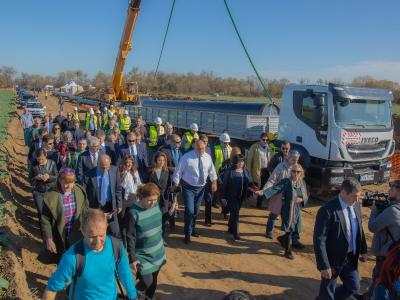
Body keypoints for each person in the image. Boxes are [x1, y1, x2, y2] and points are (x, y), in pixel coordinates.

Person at [42, 209, 137, 300]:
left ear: (106, 227)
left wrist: (133, 297)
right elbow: (51, 289)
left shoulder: (117, 247)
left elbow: (125, 273)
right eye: (92, 236)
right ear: (82, 231)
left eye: (101, 235)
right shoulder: (72, 257)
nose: (98, 241)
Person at [313, 178, 368, 300]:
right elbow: (319, 239)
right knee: (327, 292)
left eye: (359, 196)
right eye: (354, 196)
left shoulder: (356, 205)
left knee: (353, 286)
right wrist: (324, 265)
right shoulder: (327, 210)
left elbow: (359, 228)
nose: (357, 200)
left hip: (349, 257)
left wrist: (363, 249)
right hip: (332, 259)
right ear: (343, 192)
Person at [256, 164, 308, 259]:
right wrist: (263, 192)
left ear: (301, 173)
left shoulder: (302, 183)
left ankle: (283, 239)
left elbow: (305, 196)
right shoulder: (286, 182)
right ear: (290, 172)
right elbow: (275, 188)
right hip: (287, 210)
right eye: (293, 171)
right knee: (289, 229)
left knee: (293, 229)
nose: (295, 173)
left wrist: (302, 200)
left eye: (298, 172)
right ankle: (287, 251)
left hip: (297, 210)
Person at [124, 183, 166, 300]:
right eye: (150, 200)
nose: (153, 203)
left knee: (154, 280)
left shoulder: (156, 205)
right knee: (147, 281)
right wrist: (132, 258)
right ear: (142, 197)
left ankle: (149, 297)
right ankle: (132, 297)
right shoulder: (132, 213)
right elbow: (130, 237)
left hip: (157, 251)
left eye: (155, 200)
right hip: (142, 254)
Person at [172, 139, 218, 244]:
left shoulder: (207, 157)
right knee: (190, 210)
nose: (201, 150)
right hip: (188, 187)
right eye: (199, 149)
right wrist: (176, 183)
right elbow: (178, 171)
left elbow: (212, 171)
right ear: (195, 147)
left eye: (203, 148)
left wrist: (214, 182)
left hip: (201, 188)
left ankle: (192, 229)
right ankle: (187, 234)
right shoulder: (187, 157)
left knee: (196, 211)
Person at [41, 169, 88, 259]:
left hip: (77, 235)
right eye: (65, 182)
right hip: (60, 237)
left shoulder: (80, 191)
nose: (68, 186)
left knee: (77, 260)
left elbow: (85, 210)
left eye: (71, 182)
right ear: (59, 180)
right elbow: (45, 220)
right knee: (62, 261)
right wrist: (49, 239)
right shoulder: (51, 196)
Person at [364, 180, 400, 299]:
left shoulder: (393, 211)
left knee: (380, 278)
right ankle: (367, 296)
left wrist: (374, 209)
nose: (389, 190)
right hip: (395, 253)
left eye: (393, 189)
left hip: (387, 254)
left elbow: (373, 227)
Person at [82, 154, 122, 238]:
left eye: (107, 167)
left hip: (110, 206)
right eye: (102, 167)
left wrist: (119, 204)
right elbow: (84, 194)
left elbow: (118, 189)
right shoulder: (88, 175)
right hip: (96, 207)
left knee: (115, 232)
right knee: (99, 232)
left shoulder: (114, 170)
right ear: (97, 164)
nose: (105, 169)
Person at [265, 150, 301, 240]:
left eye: (296, 160)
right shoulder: (280, 166)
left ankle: (292, 236)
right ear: (289, 157)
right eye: (293, 159)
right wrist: (265, 190)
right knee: (274, 214)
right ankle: (269, 231)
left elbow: (300, 183)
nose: (295, 161)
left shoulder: (297, 168)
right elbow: (272, 179)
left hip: (291, 196)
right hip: (279, 194)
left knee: (292, 217)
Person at [222, 154, 252, 240]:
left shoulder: (245, 171)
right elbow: (225, 184)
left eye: (242, 161)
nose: (241, 163)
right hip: (231, 196)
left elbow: (250, 182)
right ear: (235, 162)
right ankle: (236, 232)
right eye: (239, 161)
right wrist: (223, 197)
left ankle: (230, 228)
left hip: (241, 196)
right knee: (236, 213)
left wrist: (253, 189)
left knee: (234, 212)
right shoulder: (230, 171)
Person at [29, 149, 58, 235]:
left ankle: (53, 232)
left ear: (46, 156)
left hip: (51, 191)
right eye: (39, 159)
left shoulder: (52, 163)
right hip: (38, 192)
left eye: (42, 159)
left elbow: (56, 177)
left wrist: (49, 177)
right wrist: (36, 178)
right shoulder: (33, 164)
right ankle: (45, 235)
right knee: (41, 213)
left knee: (51, 212)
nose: (40, 161)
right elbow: (30, 180)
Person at [146, 151, 171, 240]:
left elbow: (169, 187)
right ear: (155, 160)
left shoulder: (167, 172)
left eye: (163, 160)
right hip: (152, 199)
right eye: (159, 160)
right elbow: (146, 185)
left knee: (163, 220)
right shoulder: (150, 171)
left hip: (163, 199)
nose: (161, 162)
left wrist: (172, 201)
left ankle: (161, 238)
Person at [246, 132, 271, 209]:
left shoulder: (268, 148)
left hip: (266, 170)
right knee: (255, 187)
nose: (265, 141)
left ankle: (259, 204)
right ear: (260, 139)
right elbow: (249, 160)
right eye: (263, 140)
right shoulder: (255, 147)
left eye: (267, 140)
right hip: (257, 170)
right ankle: (249, 201)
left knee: (263, 188)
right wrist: (249, 171)